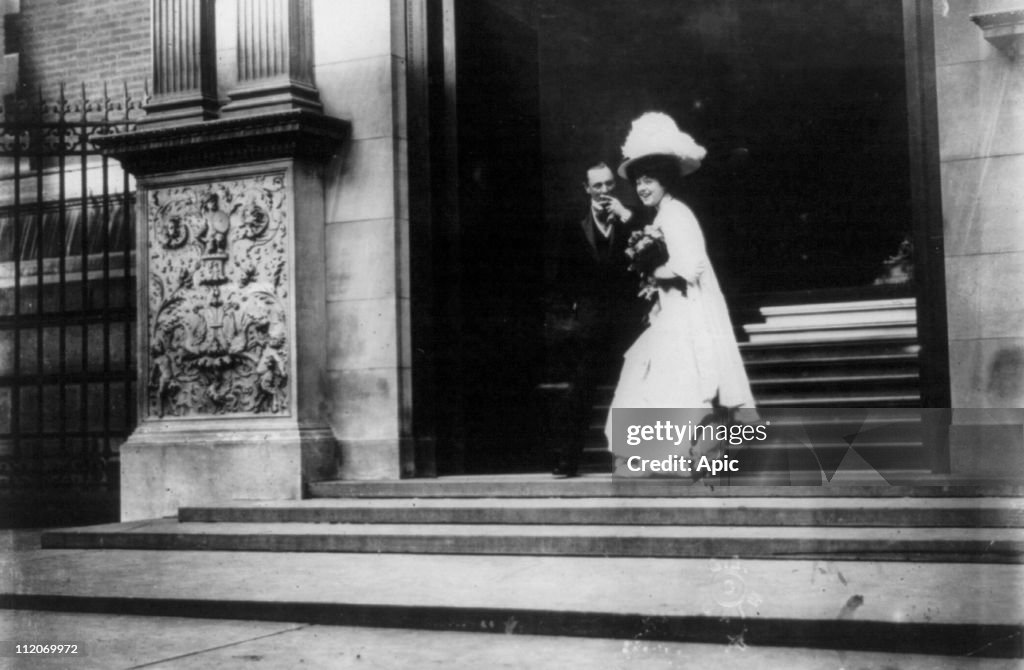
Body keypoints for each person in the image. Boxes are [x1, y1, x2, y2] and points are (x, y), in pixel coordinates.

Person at [604, 113, 755, 450]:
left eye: (649, 181)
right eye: (638, 181)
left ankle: (693, 455)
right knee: (657, 379)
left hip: (685, 314)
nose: (642, 188)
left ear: (665, 181)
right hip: (669, 311)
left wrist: (651, 271)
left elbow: (691, 267)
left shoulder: (677, 214)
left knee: (679, 380)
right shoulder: (662, 215)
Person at [544, 161, 645, 477]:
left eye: (608, 185)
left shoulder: (631, 218)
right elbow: (562, 278)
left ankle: (637, 462)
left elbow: (648, 257)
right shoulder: (574, 224)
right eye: (597, 186)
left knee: (634, 391)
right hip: (590, 326)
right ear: (586, 189)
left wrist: (626, 220)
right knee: (580, 393)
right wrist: (573, 318)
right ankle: (568, 459)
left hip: (628, 324)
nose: (604, 192)